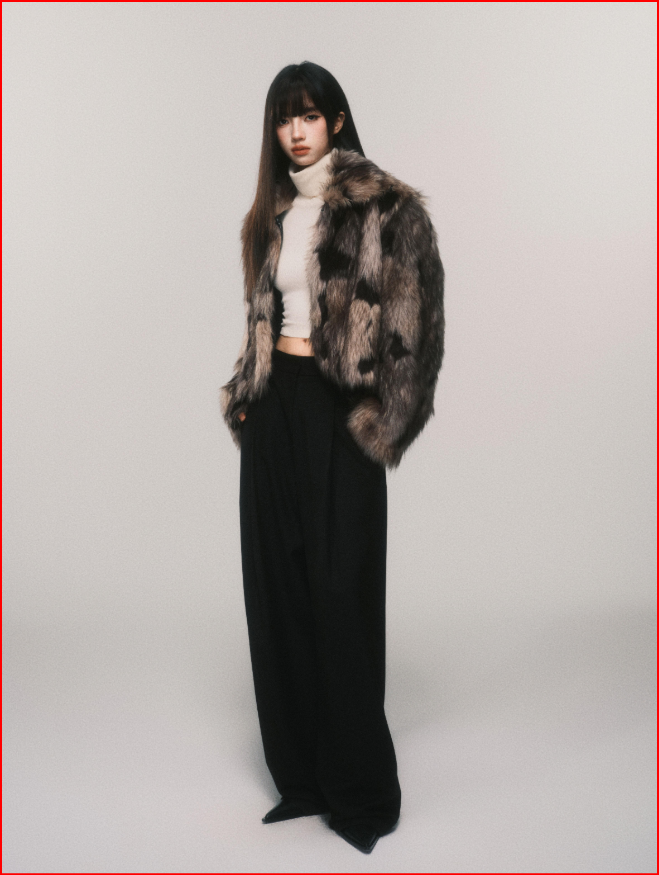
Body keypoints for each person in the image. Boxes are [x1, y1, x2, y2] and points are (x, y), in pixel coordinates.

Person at [220, 61, 445, 855]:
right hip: (274, 408)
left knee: (341, 592)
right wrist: (245, 394)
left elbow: (416, 334)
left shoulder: (388, 208)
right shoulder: (271, 214)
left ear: (337, 120)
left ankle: (359, 790)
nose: (296, 131)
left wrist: (379, 426)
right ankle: (303, 776)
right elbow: (264, 315)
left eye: (309, 115)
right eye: (284, 118)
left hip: (339, 411)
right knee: (278, 589)